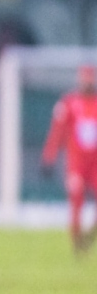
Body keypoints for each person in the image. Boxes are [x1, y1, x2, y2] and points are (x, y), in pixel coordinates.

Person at [41, 65, 97, 253]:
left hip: (95, 163)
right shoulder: (69, 103)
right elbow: (57, 132)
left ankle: (90, 235)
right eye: (85, 78)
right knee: (76, 200)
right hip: (77, 164)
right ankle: (77, 244)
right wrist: (49, 156)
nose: (87, 82)